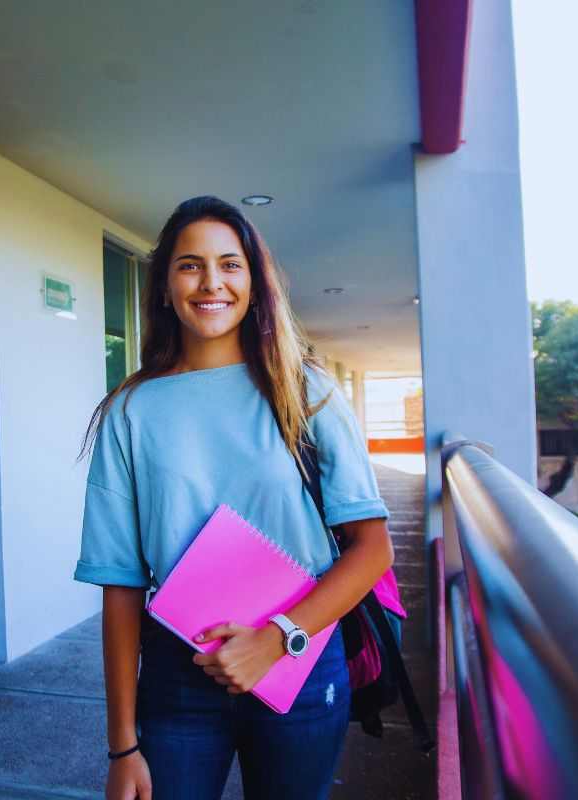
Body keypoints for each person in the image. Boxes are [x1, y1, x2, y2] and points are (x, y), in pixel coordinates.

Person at [74, 196, 394, 800]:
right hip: (178, 675)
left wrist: (277, 638)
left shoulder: (306, 391)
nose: (211, 282)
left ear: (255, 283)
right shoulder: (130, 411)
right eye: (190, 265)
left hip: (299, 660)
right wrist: (122, 744)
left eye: (230, 264)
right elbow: (119, 584)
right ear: (165, 286)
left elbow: (372, 549)